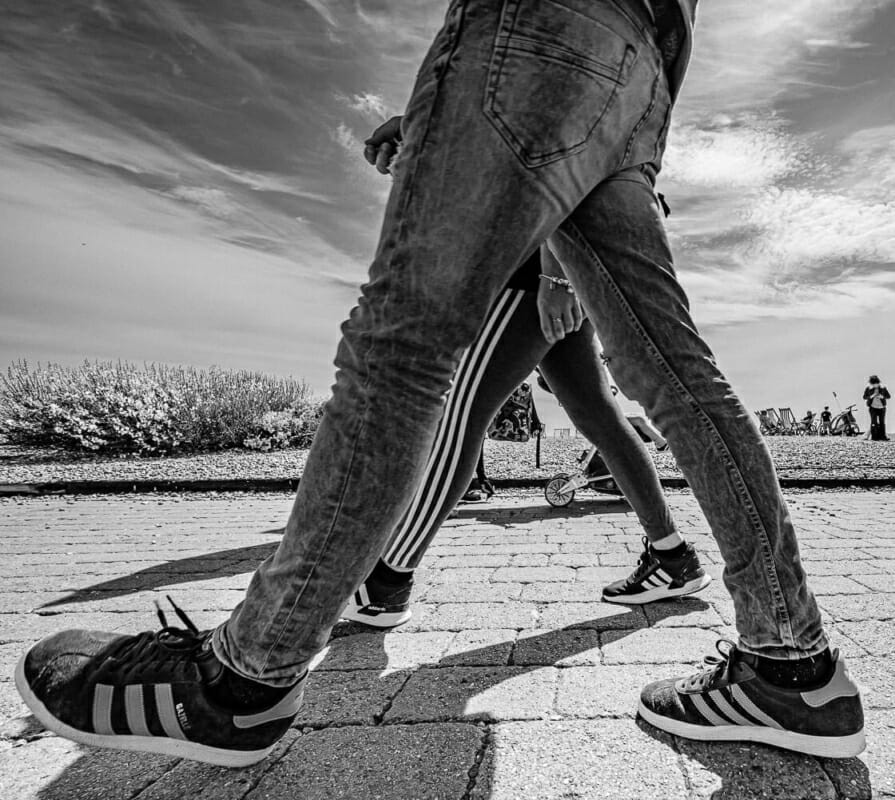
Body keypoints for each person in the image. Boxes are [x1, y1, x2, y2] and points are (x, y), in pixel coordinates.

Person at [16, 0, 864, 767]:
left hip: (537, 30)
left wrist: (466, 98)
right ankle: (791, 662)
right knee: (677, 379)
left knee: (404, 350)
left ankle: (242, 681)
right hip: (643, 64)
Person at [342, 238, 709, 630]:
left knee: (462, 418)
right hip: (560, 274)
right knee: (602, 419)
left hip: (528, 276)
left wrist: (553, 279)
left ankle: (386, 584)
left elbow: (555, 179)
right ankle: (673, 557)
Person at [863, 375, 890, 441]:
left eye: (877, 384)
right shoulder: (868, 388)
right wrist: (872, 396)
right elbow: (864, 397)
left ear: (878, 382)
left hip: (882, 407)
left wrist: (882, 397)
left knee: (882, 422)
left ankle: (883, 437)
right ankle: (874, 437)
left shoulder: (883, 388)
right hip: (872, 407)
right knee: (873, 422)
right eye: (874, 384)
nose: (876, 385)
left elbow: (888, 396)